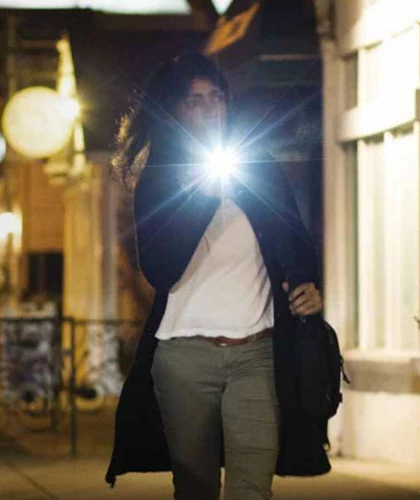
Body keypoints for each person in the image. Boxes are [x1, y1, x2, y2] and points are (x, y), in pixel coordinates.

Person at [105, 53, 329, 500]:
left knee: (252, 490)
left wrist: (307, 285)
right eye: (194, 101)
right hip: (184, 357)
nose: (209, 109)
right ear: (175, 110)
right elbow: (161, 269)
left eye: (216, 97)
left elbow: (295, 242)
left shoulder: (258, 167)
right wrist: (204, 194)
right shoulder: (159, 181)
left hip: (258, 354)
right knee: (196, 488)